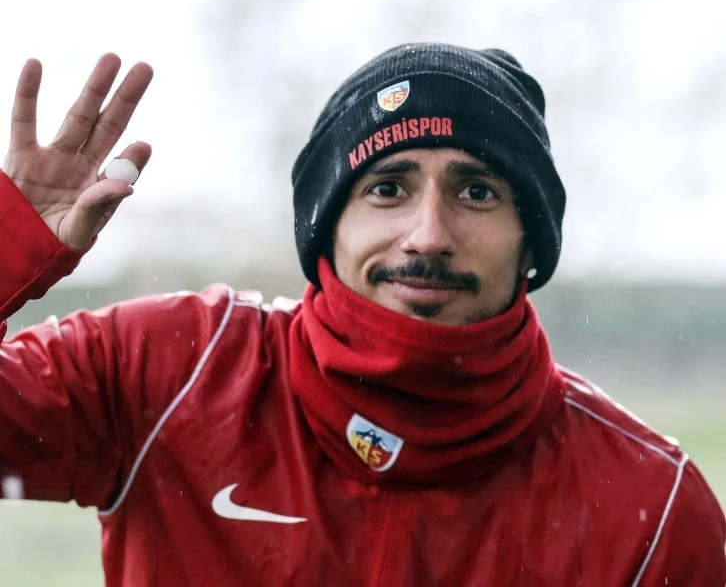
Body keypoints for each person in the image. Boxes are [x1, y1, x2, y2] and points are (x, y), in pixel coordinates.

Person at [0, 45, 724, 586]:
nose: (428, 235)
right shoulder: (168, 370)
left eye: (475, 192)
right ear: (326, 226)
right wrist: (7, 243)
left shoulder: (652, 506)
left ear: (531, 240)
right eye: (387, 188)